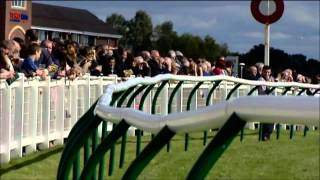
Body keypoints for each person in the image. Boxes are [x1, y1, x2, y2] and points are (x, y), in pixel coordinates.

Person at [258, 65, 274, 141]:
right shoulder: (260, 79)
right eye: (266, 72)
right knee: (266, 119)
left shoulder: (271, 79)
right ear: (263, 72)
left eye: (269, 72)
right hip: (262, 102)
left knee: (271, 119)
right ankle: (265, 136)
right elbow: (265, 90)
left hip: (270, 102)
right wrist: (268, 82)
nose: (267, 74)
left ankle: (266, 136)